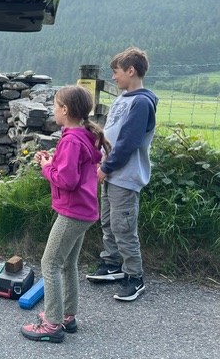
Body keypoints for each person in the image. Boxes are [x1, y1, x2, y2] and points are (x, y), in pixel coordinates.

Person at [21, 86, 111, 343]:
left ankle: (51, 325)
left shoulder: (71, 139)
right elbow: (74, 169)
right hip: (85, 210)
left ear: (65, 110)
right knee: (68, 264)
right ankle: (68, 316)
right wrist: (51, 160)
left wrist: (47, 169)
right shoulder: (81, 135)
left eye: (55, 105)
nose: (53, 109)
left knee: (49, 264)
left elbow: (67, 180)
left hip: (72, 213)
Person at [86, 47, 158, 302]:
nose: (114, 77)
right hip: (112, 172)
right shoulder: (124, 98)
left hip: (124, 176)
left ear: (131, 70)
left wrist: (106, 167)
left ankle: (134, 277)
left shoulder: (141, 102)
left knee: (123, 227)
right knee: (108, 222)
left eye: (116, 72)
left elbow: (128, 142)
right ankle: (112, 264)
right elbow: (111, 133)